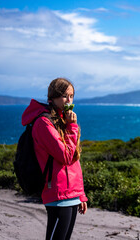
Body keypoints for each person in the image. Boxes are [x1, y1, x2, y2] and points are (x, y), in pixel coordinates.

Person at [21, 78, 87, 240]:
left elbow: (74, 162)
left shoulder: (63, 120)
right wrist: (72, 127)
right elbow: (64, 156)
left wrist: (81, 194)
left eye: (71, 96)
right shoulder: (43, 123)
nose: (69, 100)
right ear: (52, 97)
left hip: (71, 193)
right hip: (57, 193)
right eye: (64, 96)